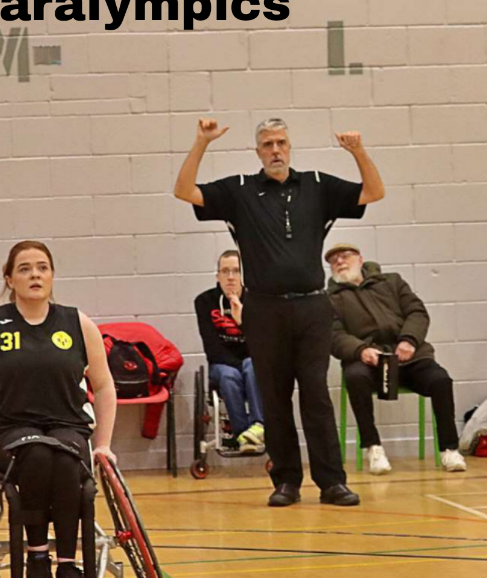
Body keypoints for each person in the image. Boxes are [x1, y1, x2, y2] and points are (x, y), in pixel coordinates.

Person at [174, 117, 385, 508]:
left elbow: (374, 192)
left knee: (316, 396)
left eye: (281, 143)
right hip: (264, 309)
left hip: (311, 306)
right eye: (268, 144)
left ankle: (331, 482)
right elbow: (183, 190)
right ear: (258, 152)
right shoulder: (240, 191)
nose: (275, 150)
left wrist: (357, 151)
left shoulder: (318, 186)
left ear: (290, 147)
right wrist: (201, 142)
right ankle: (285, 481)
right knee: (274, 397)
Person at [0, 241, 116, 578]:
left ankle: (68, 564)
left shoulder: (77, 323)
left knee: (67, 461)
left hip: (69, 425)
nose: (35, 274)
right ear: (9, 279)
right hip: (11, 429)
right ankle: (37, 556)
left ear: (52, 276)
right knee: (37, 454)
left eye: (42, 267)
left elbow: (106, 386)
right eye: (24, 268)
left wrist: (104, 444)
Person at [326, 243, 467, 474]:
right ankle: (373, 448)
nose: (340, 262)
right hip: (368, 361)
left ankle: (449, 450)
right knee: (355, 378)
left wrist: (409, 340)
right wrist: (361, 350)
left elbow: (417, 312)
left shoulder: (392, 281)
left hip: (409, 358)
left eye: (345, 256)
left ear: (360, 260)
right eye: (333, 260)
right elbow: (333, 334)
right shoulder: (330, 299)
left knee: (441, 380)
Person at [194, 250, 265, 453]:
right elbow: (212, 347)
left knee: (252, 366)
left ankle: (258, 426)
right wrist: (239, 365)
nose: (231, 277)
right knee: (229, 375)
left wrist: (243, 321)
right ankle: (242, 434)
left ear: (244, 275)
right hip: (222, 364)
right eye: (225, 271)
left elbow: (262, 344)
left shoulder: (257, 301)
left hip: (250, 362)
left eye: (236, 271)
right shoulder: (204, 302)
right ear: (218, 276)